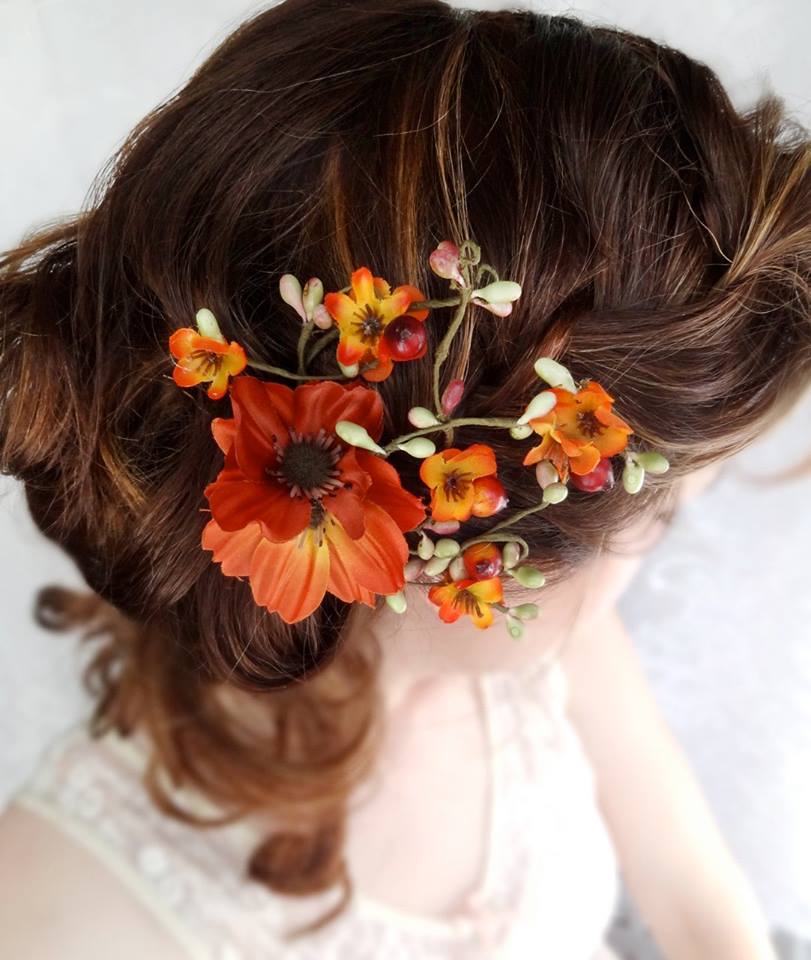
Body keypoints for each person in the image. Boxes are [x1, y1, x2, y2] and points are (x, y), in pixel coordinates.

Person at [0, 1, 808, 957]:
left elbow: (698, 899)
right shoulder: (64, 909)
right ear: (456, 542)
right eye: (663, 516)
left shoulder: (549, 658)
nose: (654, 553)